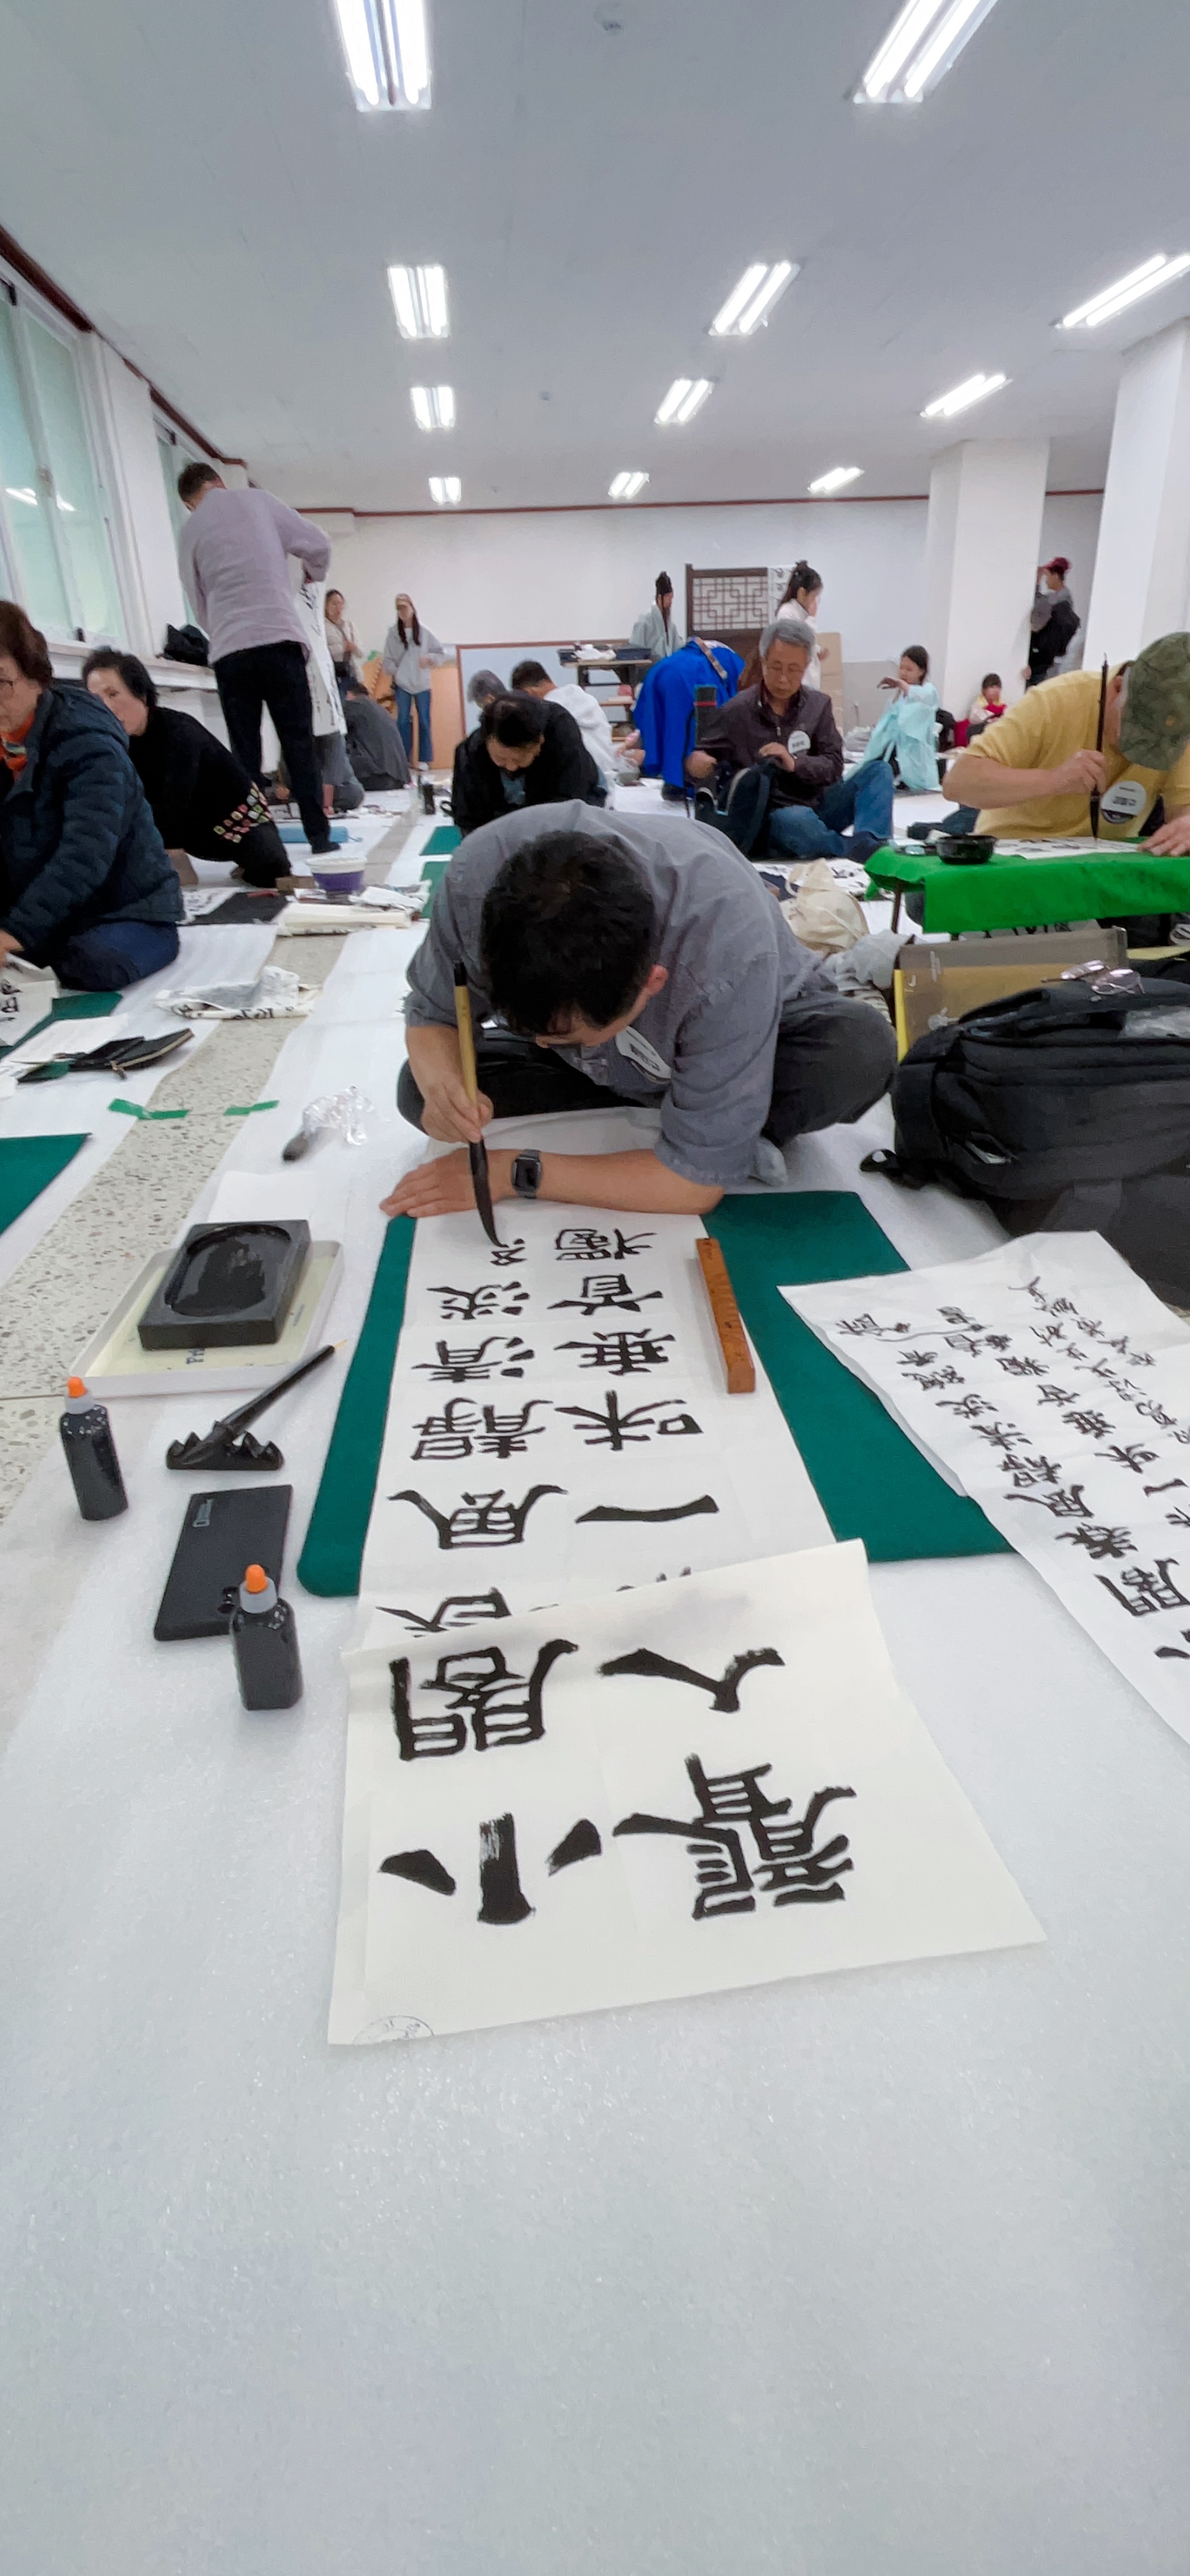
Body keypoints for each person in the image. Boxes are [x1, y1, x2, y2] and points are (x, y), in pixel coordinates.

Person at [380, 802, 896, 1226]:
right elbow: (432, 1014)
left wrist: (515, 1172)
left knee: (858, 1051)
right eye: (531, 1030)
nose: (541, 1041)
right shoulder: (475, 882)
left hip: (749, 1032)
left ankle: (707, 1120)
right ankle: (695, 1120)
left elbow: (694, 1189)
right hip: (607, 1070)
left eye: (566, 1036)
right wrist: (446, 1087)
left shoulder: (725, 946)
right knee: (417, 1090)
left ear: (652, 982)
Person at [0, 601, 181, 990]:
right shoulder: (6, 743)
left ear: (36, 677)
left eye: (1, 683)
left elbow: (85, 853)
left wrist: (13, 933)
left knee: (89, 963)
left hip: (126, 909)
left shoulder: (88, 743)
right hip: (51, 911)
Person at [176, 462, 335, 859]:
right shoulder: (260, 502)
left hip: (232, 651)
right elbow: (320, 544)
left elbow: (198, 599)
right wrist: (313, 574)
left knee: (245, 755)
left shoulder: (191, 531)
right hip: (280, 640)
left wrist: (223, 630)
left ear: (189, 502)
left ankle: (259, 848)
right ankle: (319, 837)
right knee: (299, 745)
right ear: (219, 482)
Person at [945, 633, 1190, 854]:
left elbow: (1183, 810)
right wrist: (1054, 780)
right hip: (1014, 861)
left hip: (1102, 870)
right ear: (1118, 687)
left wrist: (1186, 824)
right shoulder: (1056, 700)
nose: (1148, 745)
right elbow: (959, 783)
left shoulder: (1179, 729)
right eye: (1139, 728)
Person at [687, 616, 895, 861]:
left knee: (879, 771)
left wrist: (795, 764)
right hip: (771, 819)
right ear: (763, 661)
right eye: (776, 667)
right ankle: (855, 849)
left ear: (806, 666)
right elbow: (699, 761)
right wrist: (695, 764)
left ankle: (871, 840)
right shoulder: (737, 711)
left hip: (819, 805)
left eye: (793, 669)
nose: (783, 678)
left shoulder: (818, 706)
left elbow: (834, 766)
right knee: (795, 820)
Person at [83, 648, 288, 888]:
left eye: (113, 694)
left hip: (234, 824)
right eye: (95, 699)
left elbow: (175, 804)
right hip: (189, 831)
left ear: (142, 694)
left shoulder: (179, 732)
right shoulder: (110, 742)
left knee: (274, 872)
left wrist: (172, 856)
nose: (105, 707)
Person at [450, 691, 604, 837]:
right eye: (501, 758)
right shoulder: (471, 751)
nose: (511, 767)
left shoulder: (561, 732)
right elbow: (468, 819)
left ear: (540, 743)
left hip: (573, 795)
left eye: (518, 759)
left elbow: (571, 804)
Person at [633, 635, 745, 798]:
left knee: (671, 731)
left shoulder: (722, 653)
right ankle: (694, 786)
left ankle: (673, 782)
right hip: (694, 676)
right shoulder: (740, 665)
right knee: (695, 731)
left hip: (660, 671)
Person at [510, 658, 643, 790]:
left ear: (529, 693)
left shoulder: (547, 712)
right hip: (608, 776)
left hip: (578, 781)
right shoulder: (587, 699)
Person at [381, 594, 448, 765]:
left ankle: (425, 760)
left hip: (422, 684)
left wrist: (429, 659)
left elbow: (441, 653)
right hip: (403, 685)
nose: (402, 612)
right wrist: (398, 672)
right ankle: (404, 759)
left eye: (405, 607)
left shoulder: (424, 633)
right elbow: (387, 661)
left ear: (412, 609)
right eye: (399, 608)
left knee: (424, 721)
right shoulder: (393, 634)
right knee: (402, 721)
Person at [866, 646, 940, 790]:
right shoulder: (896, 698)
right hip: (894, 748)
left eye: (909, 669)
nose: (904, 673)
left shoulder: (928, 691)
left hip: (915, 752)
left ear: (922, 672)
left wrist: (901, 685)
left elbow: (918, 697)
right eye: (902, 668)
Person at [343, 679, 410, 791]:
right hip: (398, 778)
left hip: (377, 776)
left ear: (349, 694)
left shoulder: (354, 705)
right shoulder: (379, 709)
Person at [1027, 558, 1081, 688]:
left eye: (1047, 576)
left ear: (1056, 576)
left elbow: (1036, 622)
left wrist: (1036, 583)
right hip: (1051, 659)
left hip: (1042, 659)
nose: (1046, 581)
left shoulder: (1055, 602)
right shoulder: (1065, 599)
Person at [772, 560, 823, 687]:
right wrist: (811, 618)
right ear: (802, 593)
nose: (816, 602)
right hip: (798, 682)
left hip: (808, 682)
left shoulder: (800, 613)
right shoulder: (787, 613)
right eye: (814, 596)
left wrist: (817, 652)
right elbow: (797, 644)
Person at [630, 572, 682, 663]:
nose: (671, 602)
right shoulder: (644, 622)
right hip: (650, 667)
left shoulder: (671, 626)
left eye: (672, 597)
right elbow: (636, 652)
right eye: (668, 597)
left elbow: (677, 649)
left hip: (667, 667)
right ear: (659, 598)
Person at [324, 589, 361, 690]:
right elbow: (323, 652)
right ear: (326, 606)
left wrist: (354, 647)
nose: (338, 608)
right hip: (335, 675)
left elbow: (361, 653)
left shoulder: (349, 625)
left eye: (340, 603)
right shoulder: (323, 627)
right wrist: (343, 647)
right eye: (334, 604)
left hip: (352, 672)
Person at [967, 672, 1006, 737]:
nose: (996, 690)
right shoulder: (978, 704)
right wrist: (990, 720)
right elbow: (975, 720)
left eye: (998, 687)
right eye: (992, 687)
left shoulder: (1003, 704)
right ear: (984, 690)